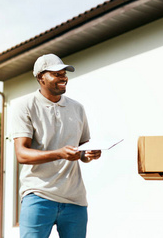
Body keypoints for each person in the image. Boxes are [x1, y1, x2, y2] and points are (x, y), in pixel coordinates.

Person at [10, 53, 101, 238]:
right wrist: (60, 154)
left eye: (63, 73)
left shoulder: (77, 108)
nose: (63, 77)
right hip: (38, 195)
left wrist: (88, 155)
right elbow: (22, 154)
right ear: (40, 77)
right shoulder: (25, 106)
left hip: (75, 199)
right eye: (56, 73)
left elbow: (80, 151)